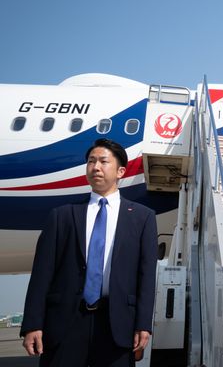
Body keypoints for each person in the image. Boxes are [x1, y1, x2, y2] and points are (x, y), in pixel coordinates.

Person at [21, 138, 158, 366]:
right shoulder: (62, 216)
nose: (95, 167)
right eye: (91, 162)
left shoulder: (143, 218)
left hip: (117, 324)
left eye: (103, 161)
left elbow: (145, 277)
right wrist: (33, 323)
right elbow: (41, 274)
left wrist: (143, 324)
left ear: (120, 171)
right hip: (65, 322)